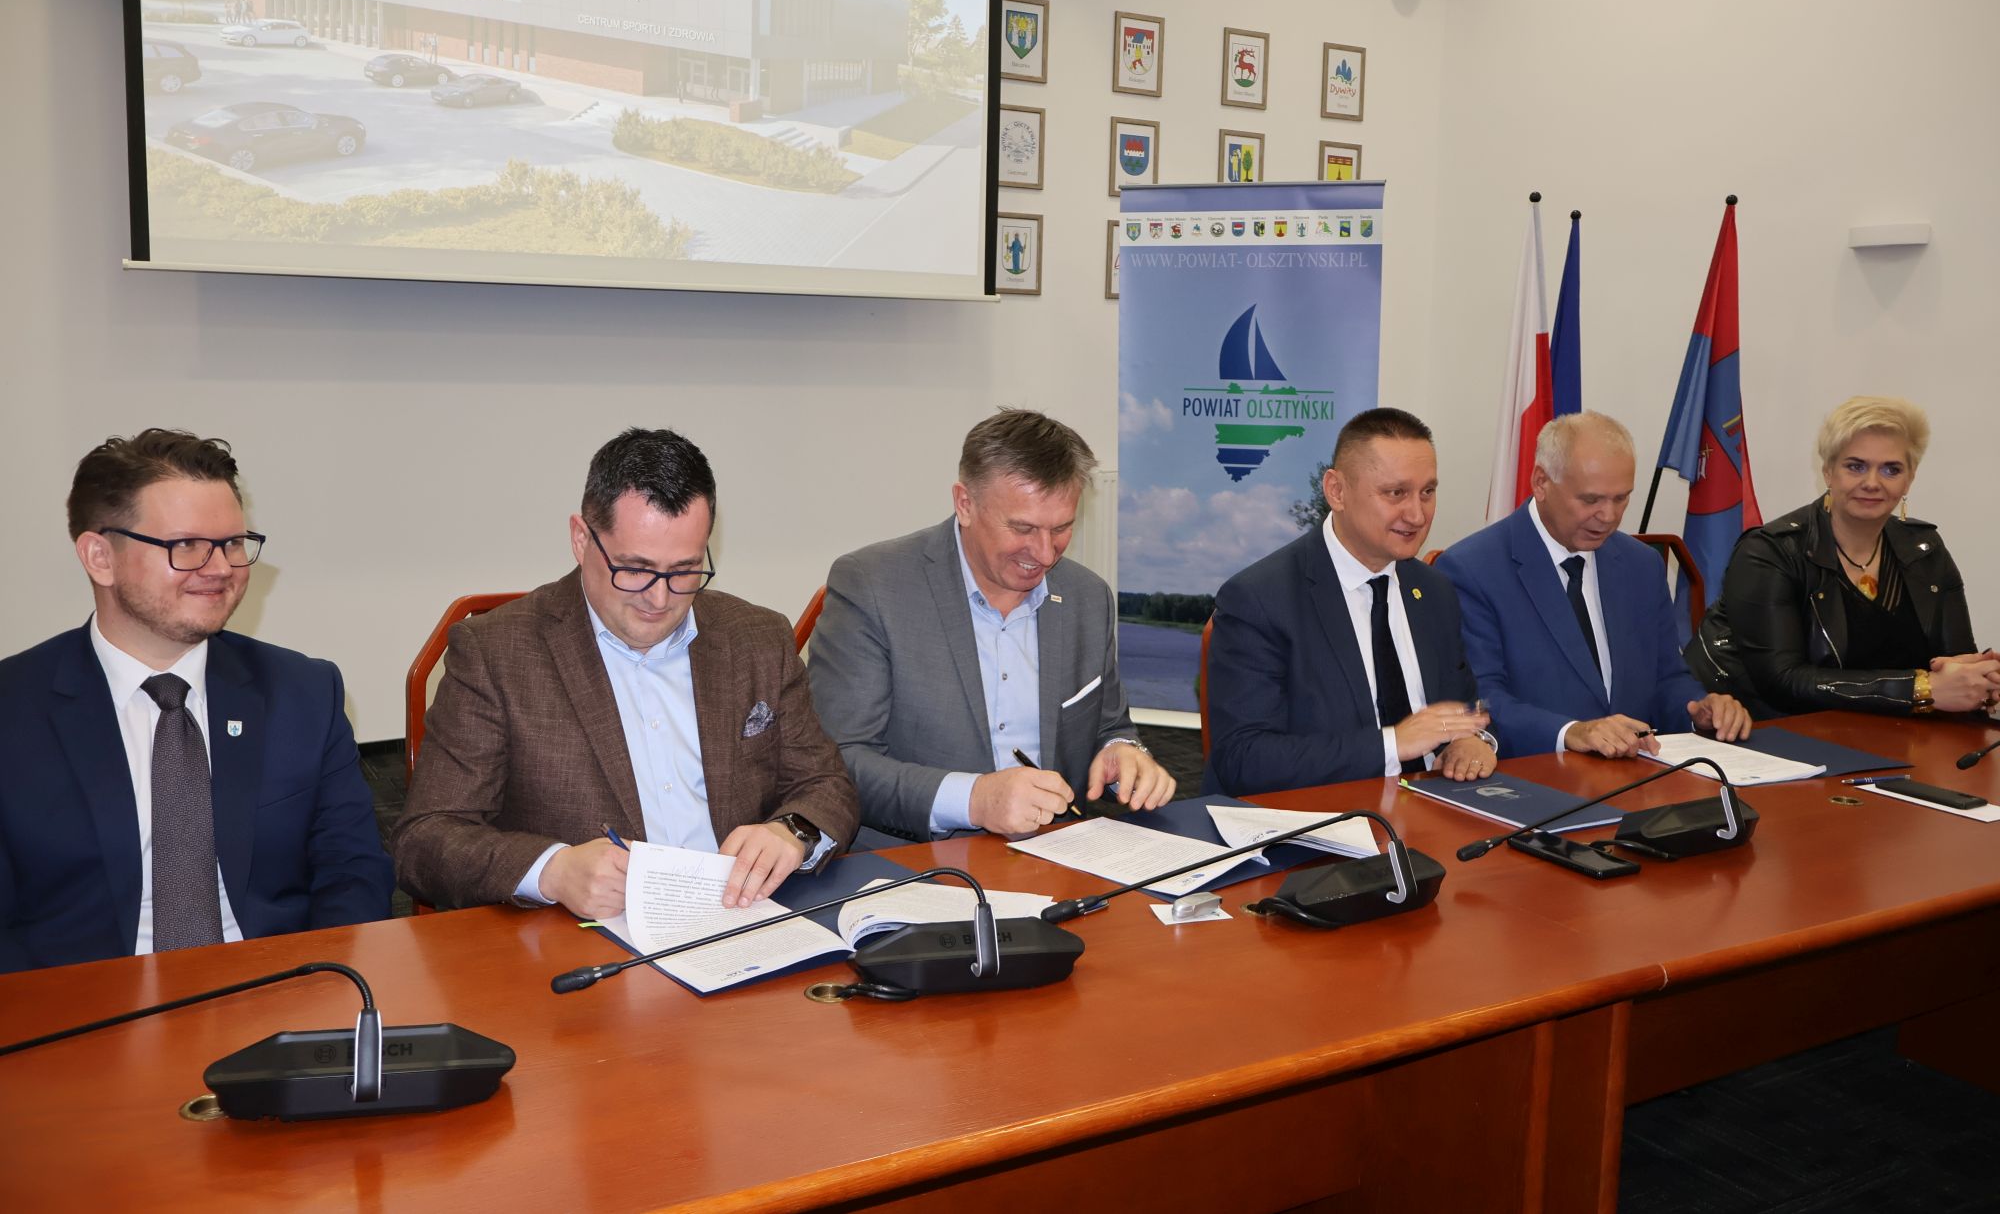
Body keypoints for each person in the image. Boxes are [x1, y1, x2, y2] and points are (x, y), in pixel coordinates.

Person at [393, 428, 858, 916]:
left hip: (744, 916)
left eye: (684, 570)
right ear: (581, 539)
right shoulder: (497, 653)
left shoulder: (756, 637)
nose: (660, 598)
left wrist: (793, 830)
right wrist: (553, 870)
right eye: (635, 569)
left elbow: (827, 784)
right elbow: (425, 839)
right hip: (586, 938)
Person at [0, 430, 392, 973]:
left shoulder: (303, 690)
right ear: (100, 557)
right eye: (185, 545)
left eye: (232, 543)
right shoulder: (14, 709)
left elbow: (352, 874)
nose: (221, 568)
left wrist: (321, 990)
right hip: (84, 1004)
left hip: (278, 990)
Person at [808, 409, 1175, 848]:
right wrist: (973, 799)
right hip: (918, 859)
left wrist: (1124, 754)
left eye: (1062, 528)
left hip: (1057, 852)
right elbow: (838, 763)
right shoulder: (873, 586)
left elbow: (1110, 727)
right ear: (965, 504)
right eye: (1023, 528)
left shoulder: (1087, 596)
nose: (1045, 554)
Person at [1204, 407, 1496, 795]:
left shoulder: (1435, 591)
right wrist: (1393, 744)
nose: (1417, 514)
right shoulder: (1259, 599)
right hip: (1317, 816)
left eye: (1427, 492)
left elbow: (1462, 708)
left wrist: (1471, 741)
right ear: (1337, 491)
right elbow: (1244, 759)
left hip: (1431, 805)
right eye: (1396, 493)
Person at [1437, 412, 1752, 759]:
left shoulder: (1641, 565)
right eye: (1591, 500)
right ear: (1541, 482)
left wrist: (1697, 710)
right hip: (1537, 774)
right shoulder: (1473, 569)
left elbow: (1666, 679)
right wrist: (1571, 732)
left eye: (1621, 498)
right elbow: (1481, 701)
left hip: (1637, 774)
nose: (1609, 516)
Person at [1689, 396, 1998, 717]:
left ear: (1910, 478)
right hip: (1763, 726)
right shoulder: (1769, 552)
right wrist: (1920, 689)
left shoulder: (1925, 549)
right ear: (1828, 471)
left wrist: (1980, 679)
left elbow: (1957, 658)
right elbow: (1783, 681)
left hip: (1886, 729)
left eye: (1891, 469)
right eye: (1855, 466)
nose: (1872, 483)